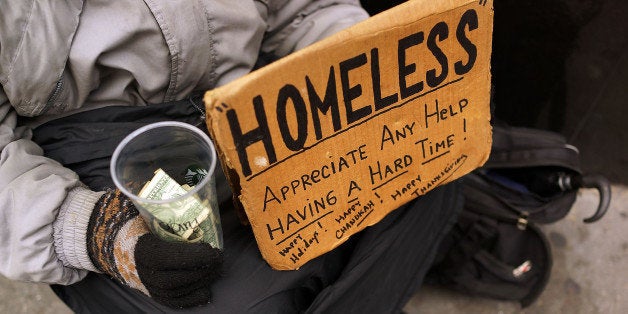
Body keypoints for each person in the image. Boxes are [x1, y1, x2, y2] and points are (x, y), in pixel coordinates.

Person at [0, 1, 463, 312]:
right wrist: (94, 230)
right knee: (235, 298)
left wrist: (368, 72)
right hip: (92, 152)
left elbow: (306, 11)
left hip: (250, 103)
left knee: (432, 178)